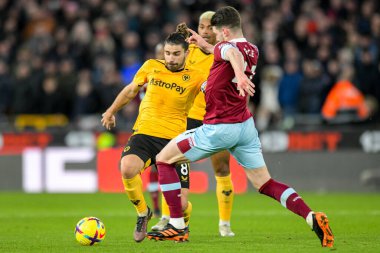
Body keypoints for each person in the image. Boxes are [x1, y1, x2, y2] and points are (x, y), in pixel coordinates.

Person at [147, 6, 334, 248]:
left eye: (215, 31)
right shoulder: (252, 48)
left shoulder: (228, 48)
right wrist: (202, 42)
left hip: (218, 128)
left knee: (164, 159)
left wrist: (239, 74)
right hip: (244, 127)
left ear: (224, 30)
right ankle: (311, 217)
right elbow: (221, 50)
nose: (214, 36)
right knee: (265, 183)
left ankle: (177, 226)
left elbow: (230, 53)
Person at [101, 30, 207, 242]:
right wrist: (111, 111)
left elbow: (214, 95)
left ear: (186, 53)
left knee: (182, 205)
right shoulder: (151, 66)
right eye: (167, 53)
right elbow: (131, 90)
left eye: (176, 54)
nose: (170, 58)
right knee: (127, 168)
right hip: (145, 133)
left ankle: (181, 223)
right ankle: (143, 213)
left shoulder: (196, 76)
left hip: (175, 141)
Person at [151, 11, 236, 237]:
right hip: (187, 117)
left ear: (219, 30)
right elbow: (169, 64)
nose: (206, 31)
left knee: (222, 168)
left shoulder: (225, 52)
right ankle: (169, 216)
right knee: (169, 162)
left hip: (216, 118)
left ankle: (224, 223)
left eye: (210, 27)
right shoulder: (189, 50)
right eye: (202, 26)